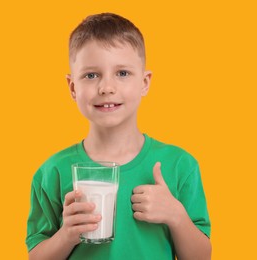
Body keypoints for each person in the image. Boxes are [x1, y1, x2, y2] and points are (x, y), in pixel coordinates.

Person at [26, 13, 211, 260]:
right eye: (91, 75)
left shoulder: (179, 165)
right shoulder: (53, 172)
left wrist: (176, 215)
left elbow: (202, 257)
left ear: (145, 82)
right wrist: (67, 234)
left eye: (122, 73)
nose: (106, 87)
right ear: (73, 88)